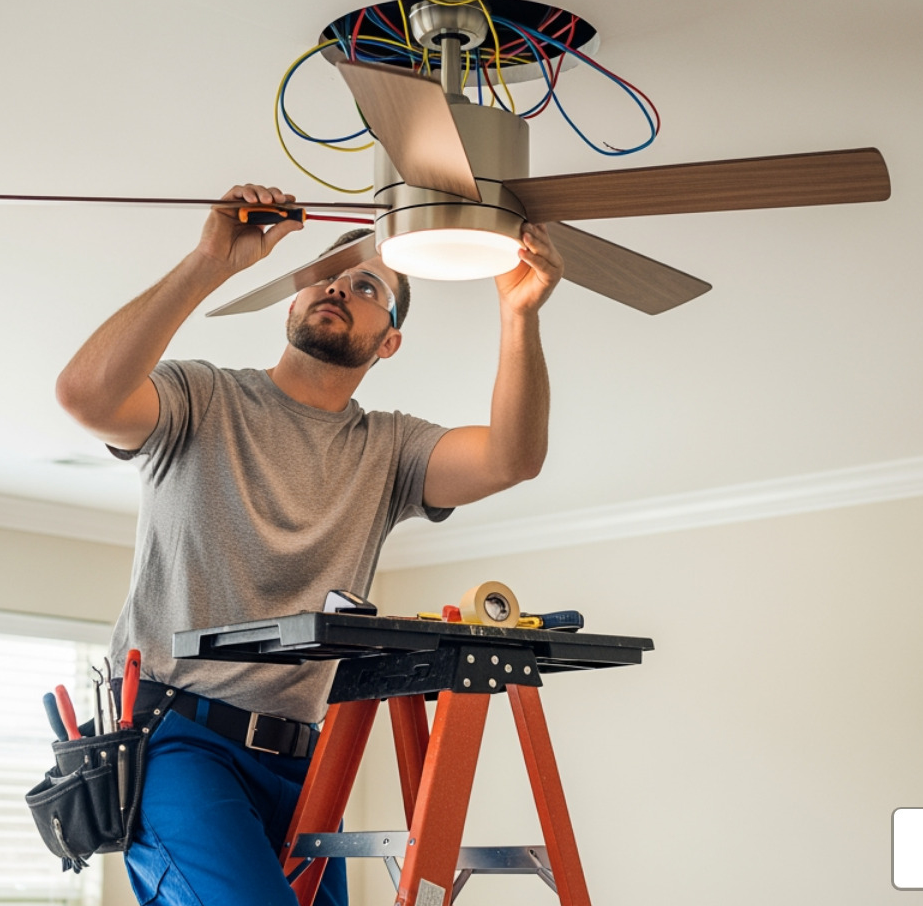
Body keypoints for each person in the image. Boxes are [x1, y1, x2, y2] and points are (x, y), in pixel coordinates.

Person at [55, 183, 563, 906]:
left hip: (306, 763)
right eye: (325, 277)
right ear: (290, 305)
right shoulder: (202, 398)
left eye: (368, 287)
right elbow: (85, 395)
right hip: (179, 740)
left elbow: (513, 458)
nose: (338, 287)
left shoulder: (390, 447)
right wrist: (209, 262)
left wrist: (520, 314)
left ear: (389, 341)